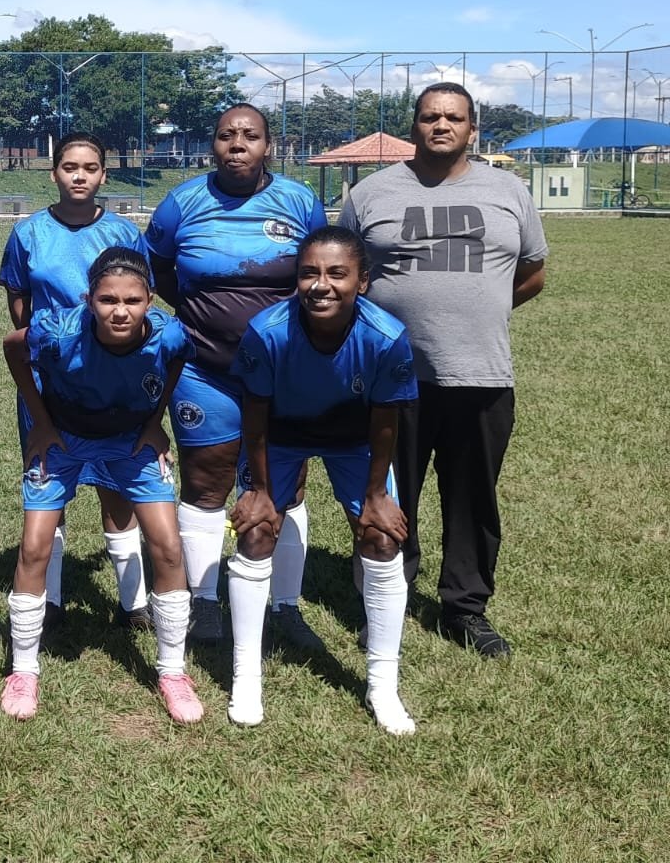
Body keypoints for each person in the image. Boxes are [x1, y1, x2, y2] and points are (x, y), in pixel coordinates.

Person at [340, 83, 547, 658]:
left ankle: (465, 609)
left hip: (482, 374)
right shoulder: (371, 195)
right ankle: (385, 602)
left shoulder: (509, 191)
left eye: (453, 118)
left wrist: (476, 313)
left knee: (473, 498)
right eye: (429, 116)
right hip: (392, 381)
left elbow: (532, 271)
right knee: (386, 495)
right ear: (414, 126)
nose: (441, 126)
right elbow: (341, 274)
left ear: (472, 129)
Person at [144, 104, 327, 646]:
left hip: (284, 375)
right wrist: (203, 313)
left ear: (269, 145)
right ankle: (204, 603)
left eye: (250, 136)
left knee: (286, 485)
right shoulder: (183, 202)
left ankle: (285, 607)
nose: (238, 144)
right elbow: (154, 268)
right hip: (205, 370)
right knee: (206, 478)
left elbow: (320, 268)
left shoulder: (298, 201)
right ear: (212, 146)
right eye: (227, 136)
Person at [224, 227, 419, 734]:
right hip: (281, 436)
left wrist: (375, 496)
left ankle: (383, 684)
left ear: (363, 281)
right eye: (309, 272)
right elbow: (255, 416)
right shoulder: (268, 332)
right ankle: (246, 675)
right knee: (255, 531)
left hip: (354, 440)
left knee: (381, 538)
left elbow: (385, 421)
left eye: (337, 273)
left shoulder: (387, 336)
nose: (321, 285)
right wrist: (262, 492)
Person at [0, 247, 201, 723]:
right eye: (108, 299)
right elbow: (13, 348)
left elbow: (174, 365)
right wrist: (42, 423)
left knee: (168, 547)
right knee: (33, 547)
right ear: (88, 300)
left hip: (129, 442)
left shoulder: (169, 334)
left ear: (149, 299)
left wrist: (154, 422)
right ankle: (24, 670)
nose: (120, 310)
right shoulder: (57, 330)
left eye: (132, 300)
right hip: (65, 439)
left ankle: (173, 671)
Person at [0, 132, 149, 629]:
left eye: (89, 167)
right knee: (49, 487)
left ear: (104, 174)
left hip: (112, 380)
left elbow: (138, 302)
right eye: (69, 167)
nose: (79, 176)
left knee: (116, 488)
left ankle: (135, 602)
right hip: (50, 384)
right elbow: (19, 305)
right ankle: (51, 600)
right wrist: (49, 352)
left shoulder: (125, 234)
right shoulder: (28, 234)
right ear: (54, 173)